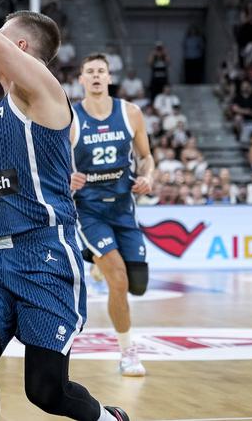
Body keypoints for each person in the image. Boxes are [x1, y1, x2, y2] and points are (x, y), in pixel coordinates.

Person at [0, 0, 130, 420]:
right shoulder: (4, 108)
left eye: (0, 38)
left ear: (19, 48)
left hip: (43, 254)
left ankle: (106, 417)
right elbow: (14, 182)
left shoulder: (42, 88)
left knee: (45, 391)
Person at [69, 53, 154, 377]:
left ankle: (97, 264)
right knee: (118, 279)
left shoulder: (130, 113)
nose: (95, 76)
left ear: (109, 77)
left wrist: (148, 177)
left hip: (124, 209)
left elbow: (147, 158)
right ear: (81, 79)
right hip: (89, 211)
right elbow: (54, 161)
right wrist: (66, 176)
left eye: (100, 71)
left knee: (138, 286)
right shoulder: (71, 118)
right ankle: (127, 353)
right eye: (89, 71)